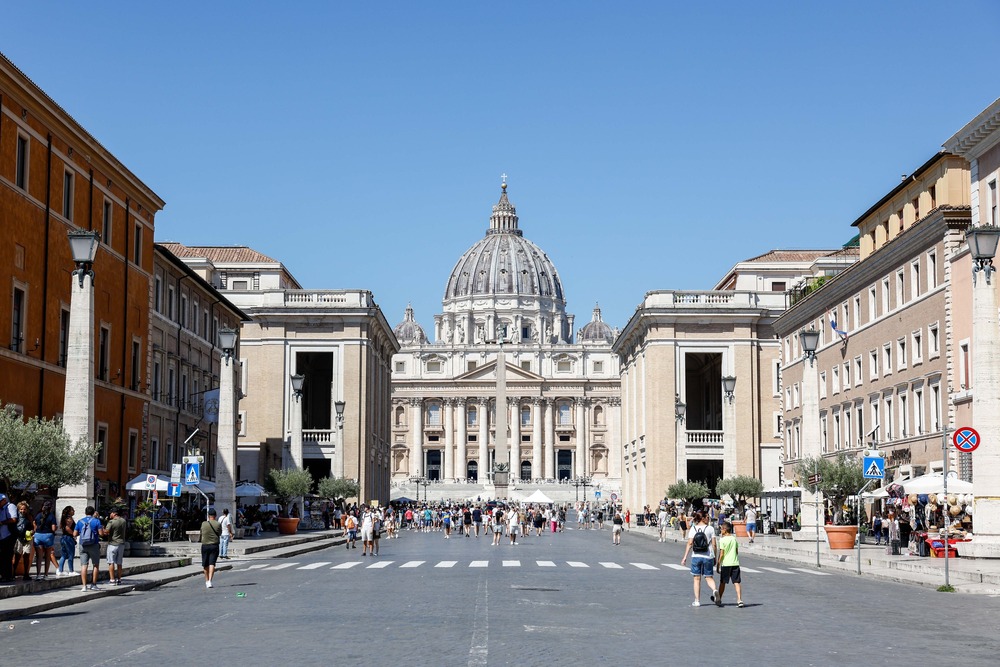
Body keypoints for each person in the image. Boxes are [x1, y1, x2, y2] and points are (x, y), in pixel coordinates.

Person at [680, 511, 718, 607]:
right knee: (709, 577)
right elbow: (714, 544)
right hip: (708, 556)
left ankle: (697, 601)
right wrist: (714, 557)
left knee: (696, 579)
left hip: (696, 556)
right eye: (707, 517)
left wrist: (684, 557)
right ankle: (714, 590)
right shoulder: (710, 529)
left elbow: (689, 544)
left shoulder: (693, 529)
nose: (708, 518)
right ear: (703, 518)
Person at [715, 521, 744, 607]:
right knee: (737, 582)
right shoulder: (734, 539)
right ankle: (739, 600)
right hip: (735, 563)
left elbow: (721, 554)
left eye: (721, 529)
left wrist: (718, 564)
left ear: (725, 529)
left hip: (726, 564)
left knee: (723, 582)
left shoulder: (722, 540)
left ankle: (719, 599)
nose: (720, 531)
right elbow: (736, 551)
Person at [74, 506, 103, 591]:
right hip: (93, 545)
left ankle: (84, 586)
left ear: (85, 512)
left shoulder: (80, 521)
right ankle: (93, 584)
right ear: (93, 512)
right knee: (95, 565)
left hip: (83, 545)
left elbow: (75, 534)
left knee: (84, 565)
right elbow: (101, 533)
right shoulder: (96, 521)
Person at [32, 500, 57, 580]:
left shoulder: (38, 515)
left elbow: (34, 525)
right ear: (51, 508)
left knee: (39, 557)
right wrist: (55, 528)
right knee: (47, 556)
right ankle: (45, 575)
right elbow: (53, 528)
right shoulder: (52, 516)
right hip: (48, 536)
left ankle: (38, 574)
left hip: (38, 536)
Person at [103, 508, 127, 585]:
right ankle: (119, 579)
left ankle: (112, 579)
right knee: (119, 563)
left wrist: (102, 528)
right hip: (121, 544)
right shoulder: (123, 521)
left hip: (113, 543)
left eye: (111, 513)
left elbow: (106, 532)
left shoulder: (111, 522)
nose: (110, 515)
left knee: (111, 562)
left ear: (114, 513)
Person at [200, 509, 222, 588]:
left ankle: (206, 580)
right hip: (214, 545)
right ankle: (210, 581)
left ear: (208, 516)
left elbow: (201, 532)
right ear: (215, 516)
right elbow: (219, 533)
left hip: (205, 545)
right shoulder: (218, 524)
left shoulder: (203, 523)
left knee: (205, 564)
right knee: (212, 563)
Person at [13, 501, 33, 581]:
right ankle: (13, 572)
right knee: (17, 556)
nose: (22, 511)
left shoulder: (29, 517)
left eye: (24, 509)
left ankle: (26, 574)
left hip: (27, 539)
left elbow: (33, 527)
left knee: (26, 556)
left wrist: (32, 531)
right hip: (18, 538)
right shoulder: (16, 518)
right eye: (21, 509)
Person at [57, 506, 76, 577]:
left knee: (64, 555)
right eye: (73, 510)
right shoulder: (69, 519)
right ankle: (71, 570)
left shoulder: (63, 518)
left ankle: (60, 570)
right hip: (68, 538)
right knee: (71, 554)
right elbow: (67, 528)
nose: (74, 511)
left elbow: (61, 527)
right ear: (69, 511)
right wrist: (74, 534)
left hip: (63, 537)